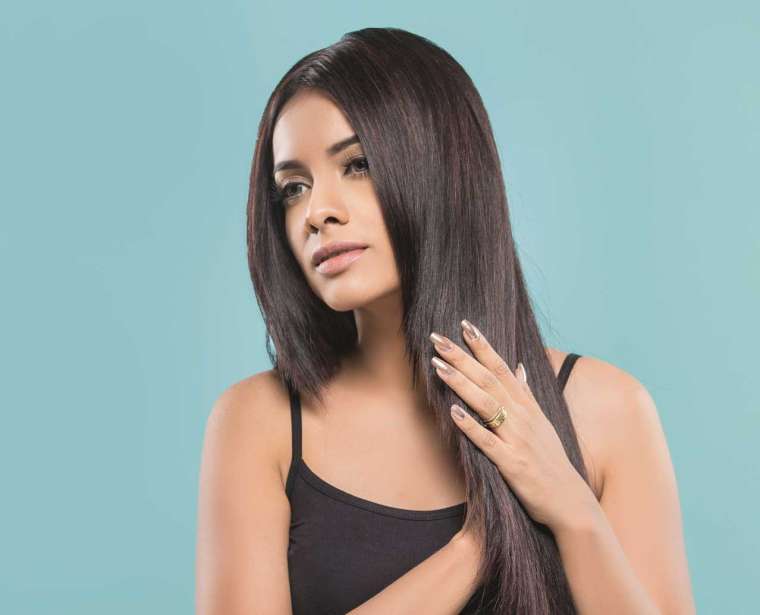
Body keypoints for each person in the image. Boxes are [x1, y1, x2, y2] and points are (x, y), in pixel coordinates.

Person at [195, 27, 695, 614]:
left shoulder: (609, 412)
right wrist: (484, 538)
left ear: (443, 168)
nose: (315, 212)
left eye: (357, 164)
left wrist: (572, 509)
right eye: (293, 188)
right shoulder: (260, 423)